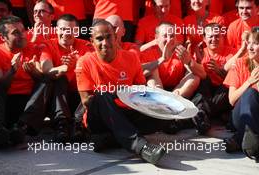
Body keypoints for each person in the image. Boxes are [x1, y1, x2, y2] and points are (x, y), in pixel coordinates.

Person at [75, 20, 165, 165]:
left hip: (126, 113)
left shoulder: (131, 57)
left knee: (162, 117)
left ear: (116, 37)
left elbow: (140, 91)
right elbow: (86, 101)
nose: (105, 42)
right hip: (98, 118)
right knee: (103, 96)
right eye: (99, 38)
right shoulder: (84, 62)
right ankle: (141, 147)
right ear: (92, 41)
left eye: (108, 37)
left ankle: (108, 139)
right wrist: (115, 94)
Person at [0, 16, 49, 148]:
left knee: (47, 80)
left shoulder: (34, 48)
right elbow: (1, 85)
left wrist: (34, 73)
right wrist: (13, 70)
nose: (22, 35)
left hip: (28, 105)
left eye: (23, 30)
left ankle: (21, 127)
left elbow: (42, 77)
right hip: (6, 102)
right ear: (3, 37)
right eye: (15, 33)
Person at [40, 14, 93, 142]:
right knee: (58, 78)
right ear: (56, 30)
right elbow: (47, 70)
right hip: (58, 98)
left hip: (80, 98)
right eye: (62, 29)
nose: (65, 33)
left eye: (70, 30)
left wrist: (78, 63)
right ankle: (61, 125)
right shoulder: (48, 45)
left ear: (77, 32)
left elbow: (94, 71)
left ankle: (78, 123)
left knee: (94, 84)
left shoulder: (85, 46)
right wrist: (65, 68)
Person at [186, 23, 238, 134]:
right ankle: (204, 117)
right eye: (210, 36)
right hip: (206, 91)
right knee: (202, 82)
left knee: (226, 87)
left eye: (217, 36)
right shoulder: (199, 52)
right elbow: (194, 73)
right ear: (204, 38)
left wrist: (219, 71)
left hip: (223, 91)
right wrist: (197, 60)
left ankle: (199, 116)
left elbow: (235, 80)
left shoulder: (232, 53)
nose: (214, 39)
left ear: (222, 37)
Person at [223, 29, 259, 160]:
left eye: (255, 43)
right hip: (240, 116)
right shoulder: (239, 63)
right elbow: (232, 100)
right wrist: (249, 82)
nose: (250, 47)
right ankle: (247, 141)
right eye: (248, 42)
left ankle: (240, 139)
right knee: (250, 93)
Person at [140, 22, 200, 99]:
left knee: (194, 76)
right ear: (156, 37)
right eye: (165, 36)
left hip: (177, 90)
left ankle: (173, 100)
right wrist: (162, 60)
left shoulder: (180, 50)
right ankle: (160, 99)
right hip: (156, 89)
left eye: (172, 36)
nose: (169, 40)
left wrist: (188, 62)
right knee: (152, 72)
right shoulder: (148, 51)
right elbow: (138, 73)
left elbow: (200, 74)